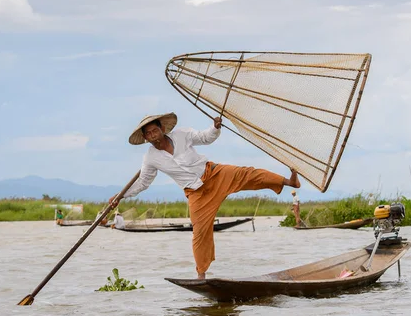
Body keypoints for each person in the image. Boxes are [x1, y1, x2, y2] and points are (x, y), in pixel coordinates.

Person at [109, 112, 301, 279]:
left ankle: (289, 182)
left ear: (161, 129)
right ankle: (201, 274)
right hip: (196, 193)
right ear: (146, 138)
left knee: (248, 174)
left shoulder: (181, 134)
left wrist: (215, 127)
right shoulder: (150, 158)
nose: (152, 135)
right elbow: (143, 182)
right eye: (148, 133)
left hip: (213, 174)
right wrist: (121, 196)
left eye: (154, 130)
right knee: (200, 233)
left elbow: (205, 138)